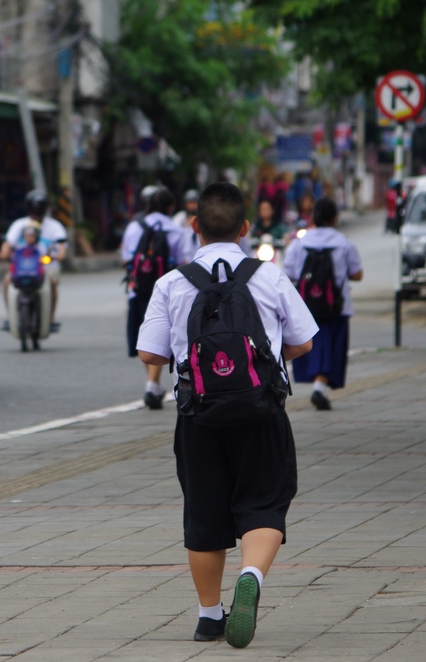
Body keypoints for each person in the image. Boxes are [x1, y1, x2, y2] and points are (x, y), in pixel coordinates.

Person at [136, 181, 317, 648]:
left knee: (204, 514)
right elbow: (303, 341)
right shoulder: (269, 276)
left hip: (197, 416)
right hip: (261, 413)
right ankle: (252, 575)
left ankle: (208, 617)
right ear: (244, 227)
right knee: (264, 500)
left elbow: (149, 355)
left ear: (194, 226)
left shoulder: (171, 283)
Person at [282, 197, 363, 410]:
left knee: (314, 345)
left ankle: (317, 385)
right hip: (336, 306)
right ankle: (319, 387)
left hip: (307, 306)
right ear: (335, 218)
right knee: (333, 347)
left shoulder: (300, 243)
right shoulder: (344, 242)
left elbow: (289, 272)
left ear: (314, 217)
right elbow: (357, 273)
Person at [121, 186, 188, 409]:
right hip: (167, 290)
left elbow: (126, 259)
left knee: (146, 332)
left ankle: (152, 383)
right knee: (164, 331)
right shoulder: (176, 230)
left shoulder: (134, 227)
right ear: (171, 207)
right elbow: (182, 262)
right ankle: (153, 383)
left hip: (138, 289)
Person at [0, 190, 68, 332]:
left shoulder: (55, 227)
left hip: (46, 266)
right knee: (7, 281)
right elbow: (7, 244)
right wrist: (5, 253)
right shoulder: (19, 225)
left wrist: (59, 254)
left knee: (52, 283)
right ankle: (9, 316)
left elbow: (61, 246)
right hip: (22, 266)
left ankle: (51, 318)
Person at [173, 188, 201, 263]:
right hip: (180, 261)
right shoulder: (179, 218)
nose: (192, 206)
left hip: (199, 259)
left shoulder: (203, 219)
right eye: (190, 203)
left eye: (194, 203)